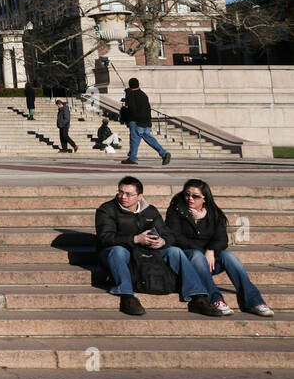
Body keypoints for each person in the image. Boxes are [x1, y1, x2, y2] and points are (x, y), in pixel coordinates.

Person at [94, 177, 220, 317]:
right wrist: (135, 239)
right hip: (116, 252)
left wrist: (163, 241)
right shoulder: (107, 210)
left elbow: (168, 234)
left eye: (129, 194)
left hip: (145, 251)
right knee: (118, 251)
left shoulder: (150, 211)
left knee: (175, 251)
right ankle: (127, 296)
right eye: (120, 192)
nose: (123, 197)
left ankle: (197, 297)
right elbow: (105, 238)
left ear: (139, 196)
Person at [166, 179, 274, 317]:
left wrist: (211, 250)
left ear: (205, 198)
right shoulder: (176, 210)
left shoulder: (213, 213)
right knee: (197, 255)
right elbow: (175, 237)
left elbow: (222, 239)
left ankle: (254, 301)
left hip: (208, 260)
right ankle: (216, 300)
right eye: (187, 194)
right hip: (187, 259)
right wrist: (202, 251)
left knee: (229, 256)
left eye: (195, 196)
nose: (190, 199)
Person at [121, 77, 170, 166]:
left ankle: (132, 158)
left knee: (134, 140)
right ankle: (164, 153)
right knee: (149, 139)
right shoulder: (143, 94)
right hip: (146, 122)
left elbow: (131, 109)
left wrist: (127, 96)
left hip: (136, 121)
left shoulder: (131, 94)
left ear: (130, 85)